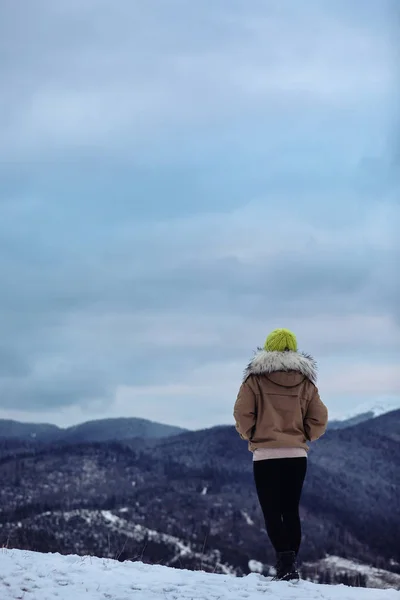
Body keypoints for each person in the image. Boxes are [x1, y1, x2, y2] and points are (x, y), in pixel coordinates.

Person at [233, 328, 328, 582]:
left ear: (267, 349)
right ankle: (290, 564)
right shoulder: (306, 383)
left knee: (272, 511)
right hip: (296, 456)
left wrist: (252, 435)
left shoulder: (254, 380)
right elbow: (319, 418)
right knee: (290, 509)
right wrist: (303, 434)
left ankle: (285, 564)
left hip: (265, 456)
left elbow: (242, 415)